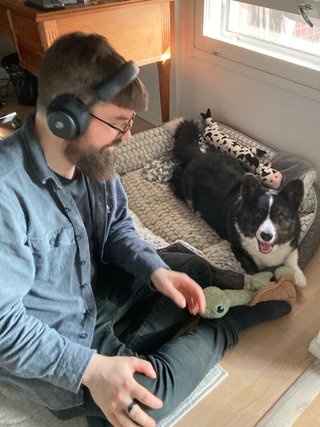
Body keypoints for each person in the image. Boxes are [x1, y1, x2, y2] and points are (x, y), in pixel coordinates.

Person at [0, 32, 292, 427]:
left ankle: (124, 360)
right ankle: (225, 330)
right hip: (59, 338)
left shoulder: (92, 156)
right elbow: (5, 329)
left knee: (192, 270)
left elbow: (119, 226)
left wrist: (155, 271)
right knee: (145, 405)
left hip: (95, 288)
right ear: (65, 120)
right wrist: (90, 369)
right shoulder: (7, 192)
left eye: (130, 121)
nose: (128, 136)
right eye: (118, 123)